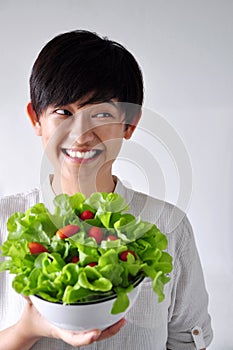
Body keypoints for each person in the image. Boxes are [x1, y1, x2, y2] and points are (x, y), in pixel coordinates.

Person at [0, 30, 213, 350]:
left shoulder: (169, 226)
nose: (81, 135)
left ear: (129, 124)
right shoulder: (4, 220)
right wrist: (26, 329)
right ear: (36, 119)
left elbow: (186, 341)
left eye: (101, 114)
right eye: (64, 112)